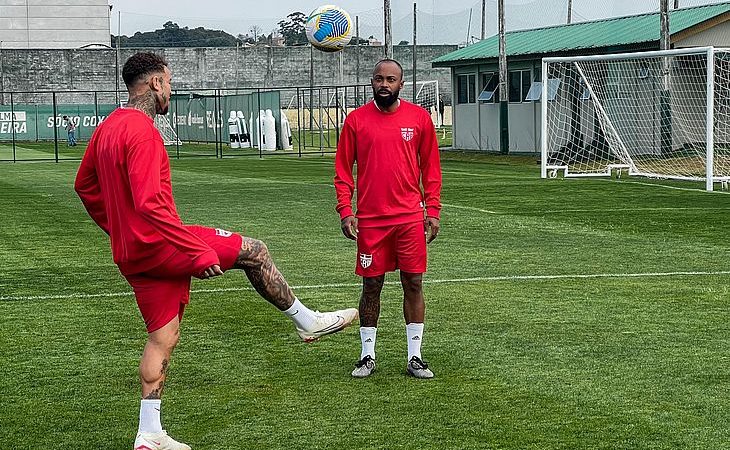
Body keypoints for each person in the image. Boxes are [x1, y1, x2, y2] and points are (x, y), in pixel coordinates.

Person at [74, 52, 358, 450]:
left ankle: (149, 433)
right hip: (164, 246)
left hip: (133, 254)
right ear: (155, 83)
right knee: (255, 251)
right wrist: (197, 252)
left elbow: (84, 187)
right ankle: (306, 320)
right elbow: (150, 204)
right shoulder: (142, 130)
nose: (170, 91)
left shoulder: (106, 129)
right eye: (168, 83)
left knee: (163, 337)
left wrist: (118, 229)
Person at [334, 59, 442, 379]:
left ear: (401, 84)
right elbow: (343, 171)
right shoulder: (355, 121)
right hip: (371, 220)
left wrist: (432, 211)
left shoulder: (419, 119)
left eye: (391, 79)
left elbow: (431, 170)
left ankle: (415, 357)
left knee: (413, 282)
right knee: (372, 285)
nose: (384, 84)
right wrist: (346, 210)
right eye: (379, 78)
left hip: (409, 218)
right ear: (371, 82)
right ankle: (367, 356)